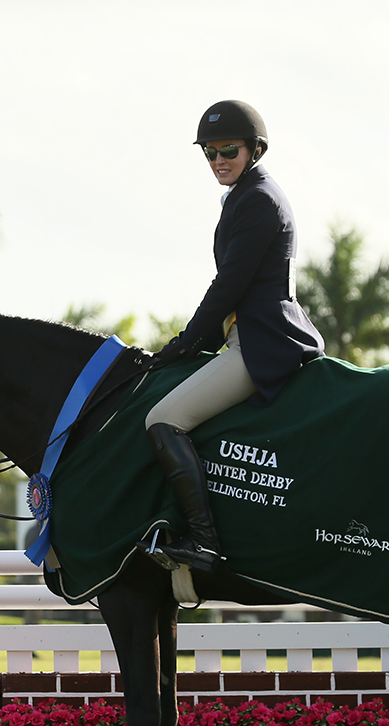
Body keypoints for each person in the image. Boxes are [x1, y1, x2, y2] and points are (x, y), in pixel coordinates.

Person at [145, 100, 325, 572]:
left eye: (228, 150)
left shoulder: (259, 199)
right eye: (209, 153)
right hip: (245, 337)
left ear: (255, 149)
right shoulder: (246, 195)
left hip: (262, 343)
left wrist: (183, 343)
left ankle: (204, 543)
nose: (218, 161)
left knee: (164, 419)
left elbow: (229, 287)